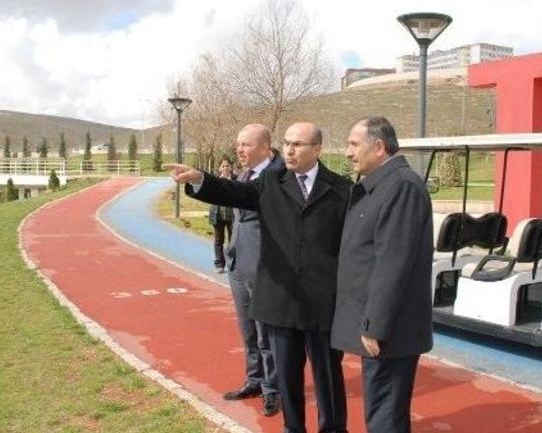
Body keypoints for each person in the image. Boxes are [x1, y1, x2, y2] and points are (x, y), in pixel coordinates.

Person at [170, 122, 350, 433]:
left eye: (298, 144)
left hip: (323, 303)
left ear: (317, 149)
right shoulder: (271, 181)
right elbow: (234, 192)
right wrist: (201, 179)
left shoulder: (342, 188)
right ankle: (293, 427)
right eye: (287, 143)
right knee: (287, 378)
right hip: (280, 302)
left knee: (328, 377)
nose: (290, 150)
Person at [331, 117, 433, 433]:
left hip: (390, 329)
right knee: (380, 412)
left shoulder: (400, 187)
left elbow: (393, 262)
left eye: (353, 144)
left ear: (378, 147)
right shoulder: (382, 185)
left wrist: (375, 326)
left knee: (385, 417)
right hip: (381, 324)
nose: (348, 152)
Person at [213, 126, 282, 416]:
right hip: (238, 265)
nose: (239, 150)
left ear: (266, 147)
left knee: (267, 332)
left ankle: (272, 389)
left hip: (264, 268)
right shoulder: (243, 176)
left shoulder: (278, 177)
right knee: (248, 331)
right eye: (238, 144)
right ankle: (254, 380)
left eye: (246, 144)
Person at [208, 156, 235, 274]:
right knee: (219, 240)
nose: (225, 168)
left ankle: (233, 263)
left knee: (233, 241)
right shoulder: (215, 181)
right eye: (223, 166)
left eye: (227, 165)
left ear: (231, 168)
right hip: (218, 214)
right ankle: (220, 264)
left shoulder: (236, 180)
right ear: (219, 168)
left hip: (232, 215)